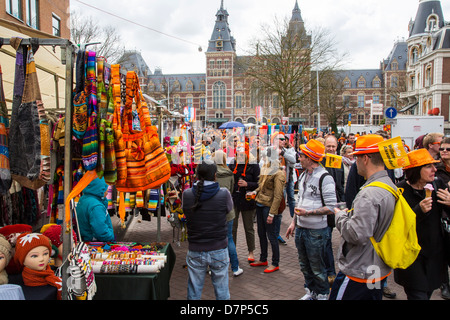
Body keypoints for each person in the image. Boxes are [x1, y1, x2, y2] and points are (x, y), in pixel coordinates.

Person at [330, 134, 396, 300]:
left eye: (357, 157)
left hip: (359, 271)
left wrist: (340, 216)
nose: (355, 162)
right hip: (376, 268)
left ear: (365, 158)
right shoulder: (389, 185)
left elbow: (356, 234)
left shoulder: (369, 194)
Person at [285, 139, 337, 300]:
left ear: (309, 158)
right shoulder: (303, 177)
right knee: (304, 265)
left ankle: (322, 294)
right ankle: (311, 291)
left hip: (316, 231)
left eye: (301, 155)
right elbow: (299, 201)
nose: (299, 158)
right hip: (301, 228)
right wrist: (294, 222)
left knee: (317, 267)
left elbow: (331, 207)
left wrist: (308, 213)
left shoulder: (325, 178)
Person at [394, 148, 449, 299]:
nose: (434, 169)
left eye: (434, 165)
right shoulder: (400, 190)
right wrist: (418, 211)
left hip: (434, 255)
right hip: (411, 257)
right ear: (415, 170)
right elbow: (395, 225)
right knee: (418, 295)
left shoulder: (438, 184)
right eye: (428, 166)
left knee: (427, 292)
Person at [182, 161, 233, 300]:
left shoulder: (187, 195)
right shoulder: (224, 194)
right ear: (215, 175)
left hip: (195, 249)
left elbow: (185, 212)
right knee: (222, 291)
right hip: (219, 249)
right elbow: (229, 210)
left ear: (197, 175)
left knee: (194, 292)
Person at [248, 146, 285, 273]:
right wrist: (254, 191)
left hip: (268, 206)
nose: (262, 158)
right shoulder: (265, 167)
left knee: (272, 236)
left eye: (264, 156)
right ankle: (263, 258)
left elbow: (278, 195)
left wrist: (272, 213)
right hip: (260, 203)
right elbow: (261, 185)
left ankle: (275, 263)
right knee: (261, 233)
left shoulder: (278, 173)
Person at [213, 150, 243, 277]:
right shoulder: (230, 174)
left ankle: (215, 267)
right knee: (229, 238)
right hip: (228, 210)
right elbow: (231, 190)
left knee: (215, 239)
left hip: (214, 211)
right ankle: (235, 267)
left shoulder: (213, 174)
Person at [229, 142, 260, 263]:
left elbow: (259, 183)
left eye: (242, 154)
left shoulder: (254, 165)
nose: (240, 156)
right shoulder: (233, 165)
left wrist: (248, 184)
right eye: (238, 154)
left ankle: (251, 251)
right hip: (235, 200)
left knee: (249, 227)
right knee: (233, 228)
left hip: (248, 200)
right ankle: (233, 252)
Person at [321, 134, 345, 286]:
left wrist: (342, 205)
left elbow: (340, 185)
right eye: (328, 146)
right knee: (326, 239)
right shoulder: (321, 161)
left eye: (333, 147)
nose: (331, 149)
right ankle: (330, 271)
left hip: (336, 206)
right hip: (323, 206)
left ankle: (332, 270)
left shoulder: (339, 162)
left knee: (332, 238)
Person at [13, 232, 62, 300]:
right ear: (22, 260)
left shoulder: (54, 278)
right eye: (34, 256)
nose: (42, 259)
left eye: (45, 254)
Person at [433, 137, 450, 300]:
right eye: (442, 148)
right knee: (444, 250)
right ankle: (445, 284)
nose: (444, 151)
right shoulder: (436, 170)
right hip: (442, 215)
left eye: (448, 149)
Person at [76, 176, 115, 242]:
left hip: (86, 240)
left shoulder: (84, 199)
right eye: (106, 187)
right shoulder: (96, 206)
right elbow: (101, 231)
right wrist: (111, 237)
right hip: (95, 243)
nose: (108, 190)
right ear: (100, 188)